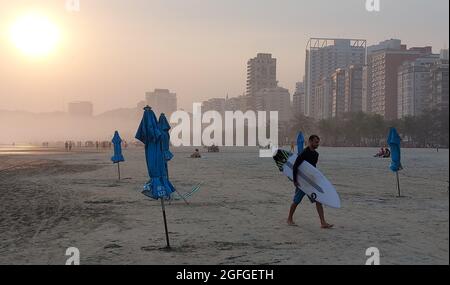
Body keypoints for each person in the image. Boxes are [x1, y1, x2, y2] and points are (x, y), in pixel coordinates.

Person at [287, 135, 334, 229]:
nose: (317, 144)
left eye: (318, 142)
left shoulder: (316, 154)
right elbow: (296, 166)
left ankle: (323, 222)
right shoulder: (304, 153)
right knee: (296, 201)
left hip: (311, 182)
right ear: (310, 141)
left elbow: (313, 169)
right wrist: (295, 181)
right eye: (316, 142)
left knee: (318, 200)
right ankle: (289, 219)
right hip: (302, 182)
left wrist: (317, 180)